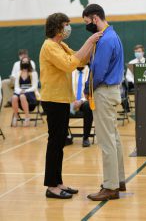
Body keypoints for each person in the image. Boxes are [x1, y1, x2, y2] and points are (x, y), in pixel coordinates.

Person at [40, 12, 102, 200]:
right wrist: (90, 41)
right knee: (55, 143)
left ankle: (58, 182)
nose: (68, 28)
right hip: (53, 100)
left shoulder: (60, 45)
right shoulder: (49, 46)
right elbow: (69, 65)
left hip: (61, 100)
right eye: (66, 24)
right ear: (58, 27)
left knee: (59, 143)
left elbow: (78, 59)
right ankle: (51, 186)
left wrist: (93, 46)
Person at [83, 4, 126, 201]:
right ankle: (118, 180)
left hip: (103, 92)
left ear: (95, 18)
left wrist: (87, 88)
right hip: (112, 91)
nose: (87, 26)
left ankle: (110, 187)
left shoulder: (105, 39)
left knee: (106, 140)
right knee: (114, 137)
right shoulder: (112, 35)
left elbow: (98, 71)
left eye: (87, 22)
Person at [65, 65, 93, 147]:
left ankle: (86, 138)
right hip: (71, 101)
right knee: (60, 106)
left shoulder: (90, 72)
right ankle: (67, 136)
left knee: (88, 106)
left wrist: (81, 101)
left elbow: (91, 91)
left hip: (84, 101)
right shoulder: (70, 72)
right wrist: (71, 101)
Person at [11, 57, 39, 127]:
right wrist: (20, 91)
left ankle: (27, 117)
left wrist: (25, 91)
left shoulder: (33, 73)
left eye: (26, 62)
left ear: (29, 63)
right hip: (20, 91)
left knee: (22, 96)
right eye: (23, 62)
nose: (25, 63)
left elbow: (34, 87)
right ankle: (16, 116)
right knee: (14, 97)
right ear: (21, 63)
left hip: (30, 93)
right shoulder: (18, 73)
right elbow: (16, 86)